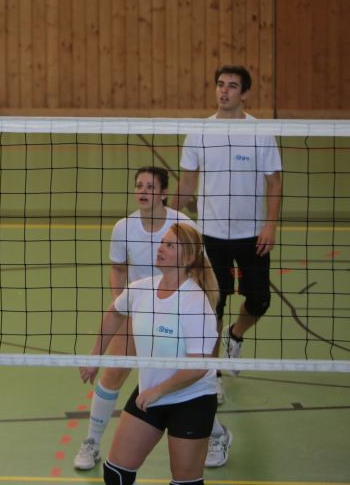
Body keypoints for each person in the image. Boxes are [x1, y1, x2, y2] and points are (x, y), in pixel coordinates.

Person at [174, 64, 282, 465]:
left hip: (252, 234)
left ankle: (237, 335)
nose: (224, 91)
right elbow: (188, 183)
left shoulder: (260, 132)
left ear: (244, 93)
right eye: (220, 84)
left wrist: (270, 224)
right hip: (211, 236)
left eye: (232, 86)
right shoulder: (200, 131)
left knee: (259, 301)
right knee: (211, 309)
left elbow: (274, 181)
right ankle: (213, 374)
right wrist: (174, 216)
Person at [73, 167, 196, 471]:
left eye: (150, 187)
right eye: (139, 185)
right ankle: (92, 442)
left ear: (164, 193)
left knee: (178, 381)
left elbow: (199, 270)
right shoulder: (123, 228)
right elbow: (117, 268)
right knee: (114, 373)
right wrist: (123, 302)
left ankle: (217, 434)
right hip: (138, 310)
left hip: (174, 313)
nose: (142, 191)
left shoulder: (183, 226)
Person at [79, 223, 220, 485]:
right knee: (116, 474)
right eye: (162, 242)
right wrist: (95, 355)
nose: (160, 249)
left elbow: (198, 367)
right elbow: (115, 312)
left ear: (188, 256)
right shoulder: (141, 289)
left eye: (170, 245)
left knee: (185, 482)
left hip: (191, 399)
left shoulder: (195, 302)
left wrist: (159, 391)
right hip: (150, 393)